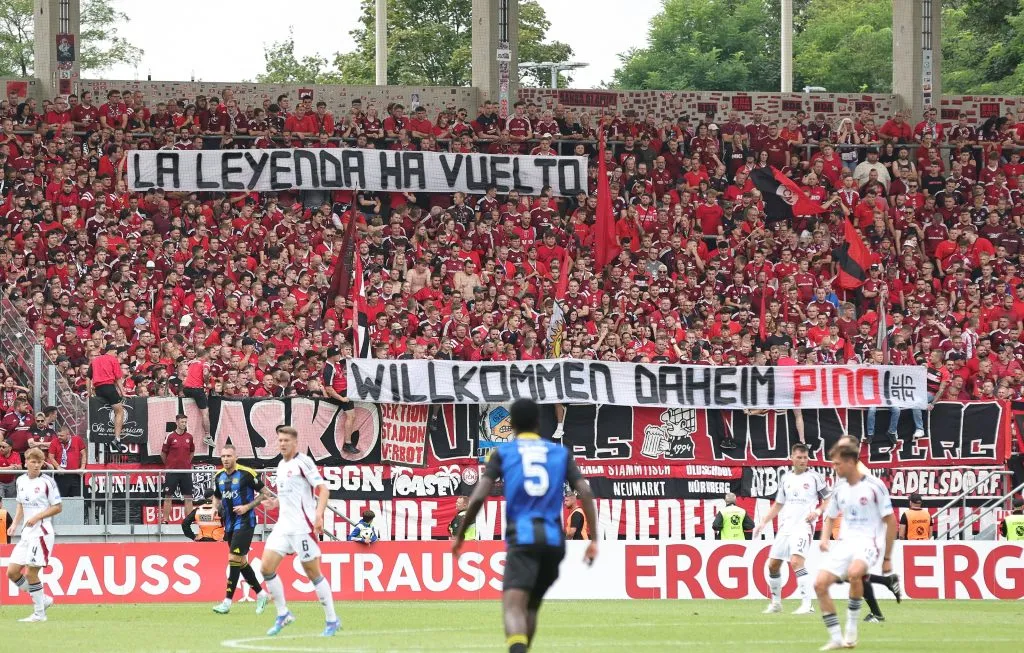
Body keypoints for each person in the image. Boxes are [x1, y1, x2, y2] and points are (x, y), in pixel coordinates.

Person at [452, 398, 598, 653]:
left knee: (513, 606)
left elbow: (478, 496)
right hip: (554, 542)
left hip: (523, 538)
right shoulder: (560, 453)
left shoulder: (503, 453)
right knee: (530, 608)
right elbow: (585, 491)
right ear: (538, 422)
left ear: (513, 425)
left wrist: (461, 535)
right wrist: (594, 540)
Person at [815, 441, 897, 650]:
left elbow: (891, 521)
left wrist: (887, 557)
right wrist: (824, 539)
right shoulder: (839, 489)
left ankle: (851, 628)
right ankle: (836, 638)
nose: (834, 468)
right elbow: (830, 517)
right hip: (845, 543)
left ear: (851, 462)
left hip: (869, 542)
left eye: (837, 464)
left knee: (854, 573)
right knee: (820, 584)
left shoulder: (874, 486)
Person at [260, 425, 339, 637]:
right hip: (283, 526)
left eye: (286, 440)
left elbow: (323, 489)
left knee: (313, 573)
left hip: (302, 527)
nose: (282, 444)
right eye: (280, 440)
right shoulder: (280, 465)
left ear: (295, 442)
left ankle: (332, 620)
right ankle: (283, 614)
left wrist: (319, 515)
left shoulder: (303, 462)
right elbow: (289, 494)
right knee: (266, 568)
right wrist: (275, 503)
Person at [753, 443, 829, 615]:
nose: (803, 461)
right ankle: (776, 604)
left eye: (805, 457)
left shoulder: (815, 477)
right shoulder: (786, 478)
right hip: (785, 527)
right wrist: (763, 522)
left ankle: (807, 605)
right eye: (799, 457)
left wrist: (817, 512)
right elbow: (778, 504)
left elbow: (829, 499)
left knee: (796, 562)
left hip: (803, 526)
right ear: (792, 458)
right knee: (773, 565)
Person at [211, 444, 271, 615]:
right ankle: (261, 594)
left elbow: (265, 493)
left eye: (229, 456)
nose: (225, 459)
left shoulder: (246, 473)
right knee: (241, 562)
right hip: (229, 523)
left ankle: (227, 602)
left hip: (245, 521)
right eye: (223, 456)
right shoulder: (219, 476)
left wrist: (247, 507)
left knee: (233, 558)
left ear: (236, 457)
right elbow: (217, 496)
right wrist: (215, 508)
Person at [6, 448, 61, 622]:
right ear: (26, 462)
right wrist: (14, 524)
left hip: (41, 532)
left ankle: (39, 614)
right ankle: (42, 599)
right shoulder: (20, 480)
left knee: (31, 573)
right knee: (12, 572)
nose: (36, 465)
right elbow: (20, 504)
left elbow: (58, 507)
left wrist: (37, 517)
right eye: (33, 462)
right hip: (26, 533)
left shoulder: (47, 482)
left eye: (39, 462)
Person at [161, 414, 195, 524]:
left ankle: (189, 521)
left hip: (185, 472)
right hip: (172, 472)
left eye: (185, 422)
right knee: (168, 496)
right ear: (177, 422)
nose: (184, 424)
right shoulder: (170, 436)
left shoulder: (189, 437)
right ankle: (165, 520)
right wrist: (169, 465)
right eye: (182, 422)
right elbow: (163, 454)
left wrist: (186, 463)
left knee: (188, 497)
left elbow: (192, 452)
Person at [87, 344, 125, 441]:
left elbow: (88, 378)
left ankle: (101, 434)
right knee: (119, 412)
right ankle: (117, 438)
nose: (116, 355)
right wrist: (123, 392)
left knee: (103, 410)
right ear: (111, 351)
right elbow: (118, 378)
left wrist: (89, 392)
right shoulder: (113, 359)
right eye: (115, 353)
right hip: (108, 387)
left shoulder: (95, 360)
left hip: (98, 389)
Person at [182, 349, 213, 446]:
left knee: (189, 408)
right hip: (197, 389)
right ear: (205, 355)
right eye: (208, 355)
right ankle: (208, 436)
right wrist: (206, 383)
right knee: (205, 413)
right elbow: (205, 373)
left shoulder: (191, 362)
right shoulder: (205, 363)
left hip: (186, 389)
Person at [46, 426, 87, 498]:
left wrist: (82, 467)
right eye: (58, 435)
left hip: (76, 475)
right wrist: (58, 467)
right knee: (60, 499)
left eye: (61, 436)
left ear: (68, 435)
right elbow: (51, 457)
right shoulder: (54, 442)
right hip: (61, 475)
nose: (59, 437)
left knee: (77, 498)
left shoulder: (77, 439)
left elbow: (84, 454)